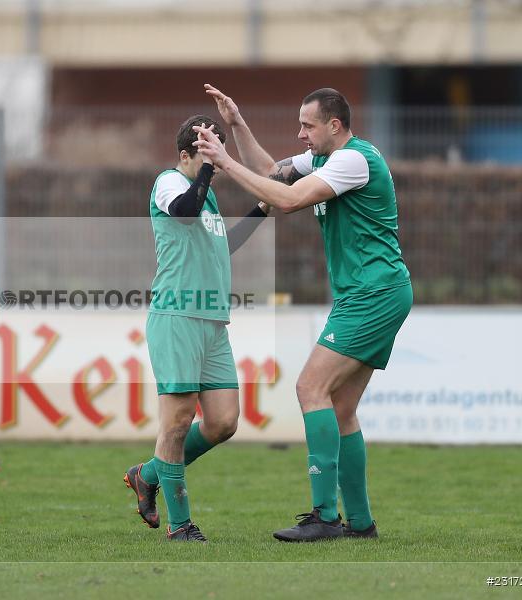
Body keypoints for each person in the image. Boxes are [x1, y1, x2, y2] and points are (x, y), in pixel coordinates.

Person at [194, 84, 412, 542]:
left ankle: (324, 516)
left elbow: (287, 200)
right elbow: (273, 175)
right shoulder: (327, 160)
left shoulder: (353, 160)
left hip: (373, 295)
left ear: (335, 126)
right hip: (372, 293)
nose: (300, 134)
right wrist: (236, 126)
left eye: (307, 126)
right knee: (342, 407)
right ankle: (361, 523)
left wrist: (223, 162)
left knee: (310, 387)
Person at [124, 115, 269, 542]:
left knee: (223, 422)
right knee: (177, 420)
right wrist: (207, 167)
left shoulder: (207, 198)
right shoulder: (169, 182)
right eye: (206, 155)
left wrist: (261, 209)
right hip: (177, 316)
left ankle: (147, 474)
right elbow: (184, 214)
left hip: (211, 321)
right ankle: (181, 524)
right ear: (186, 154)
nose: (215, 167)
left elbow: (222, 244)